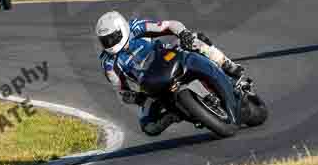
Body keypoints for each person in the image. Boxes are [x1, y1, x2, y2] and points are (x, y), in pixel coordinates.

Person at [95, 11, 244, 136]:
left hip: (169, 57)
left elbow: (169, 25)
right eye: (105, 41)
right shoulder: (108, 62)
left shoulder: (135, 27)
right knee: (148, 127)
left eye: (112, 37)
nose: (110, 43)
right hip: (151, 84)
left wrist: (183, 33)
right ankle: (175, 114)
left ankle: (226, 64)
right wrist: (136, 98)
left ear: (122, 28)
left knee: (195, 39)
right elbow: (121, 90)